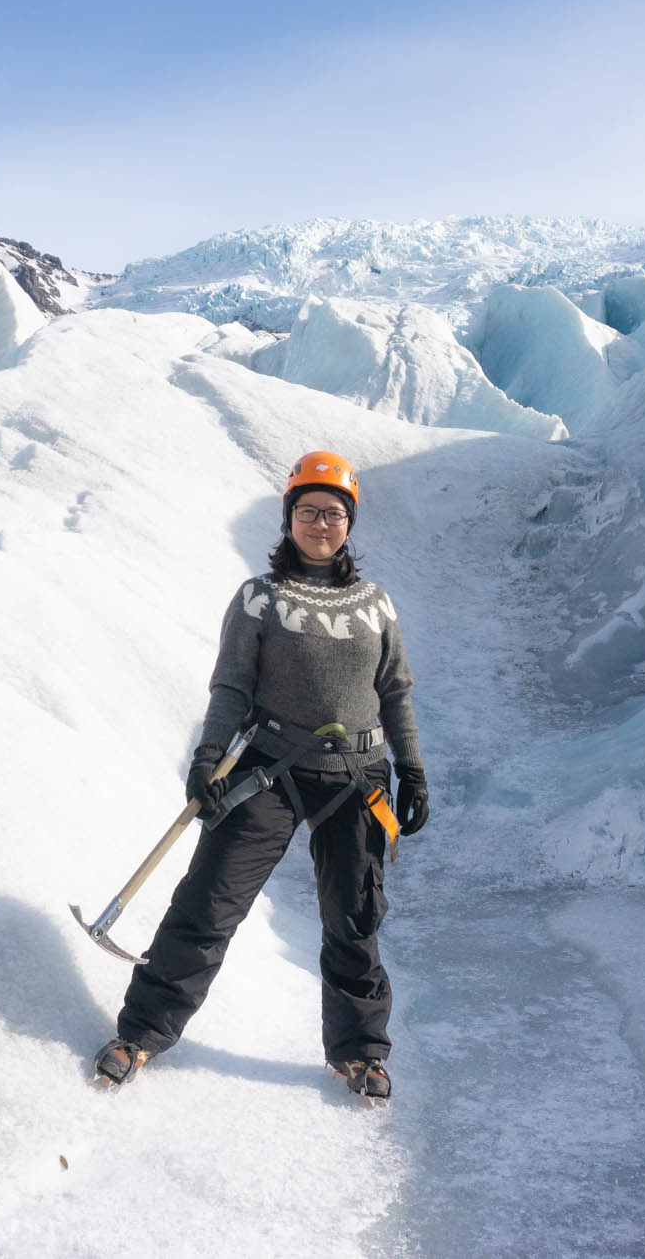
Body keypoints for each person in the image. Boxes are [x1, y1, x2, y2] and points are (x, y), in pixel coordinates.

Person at [94, 450, 431, 1100]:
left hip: (358, 775)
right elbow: (230, 688)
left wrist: (411, 769)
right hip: (270, 769)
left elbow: (396, 691)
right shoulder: (260, 598)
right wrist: (207, 754)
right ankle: (140, 1032)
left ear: (349, 521)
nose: (320, 523)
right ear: (289, 518)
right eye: (308, 511)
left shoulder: (375, 606)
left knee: (353, 918)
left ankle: (361, 1051)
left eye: (332, 512)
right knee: (208, 903)